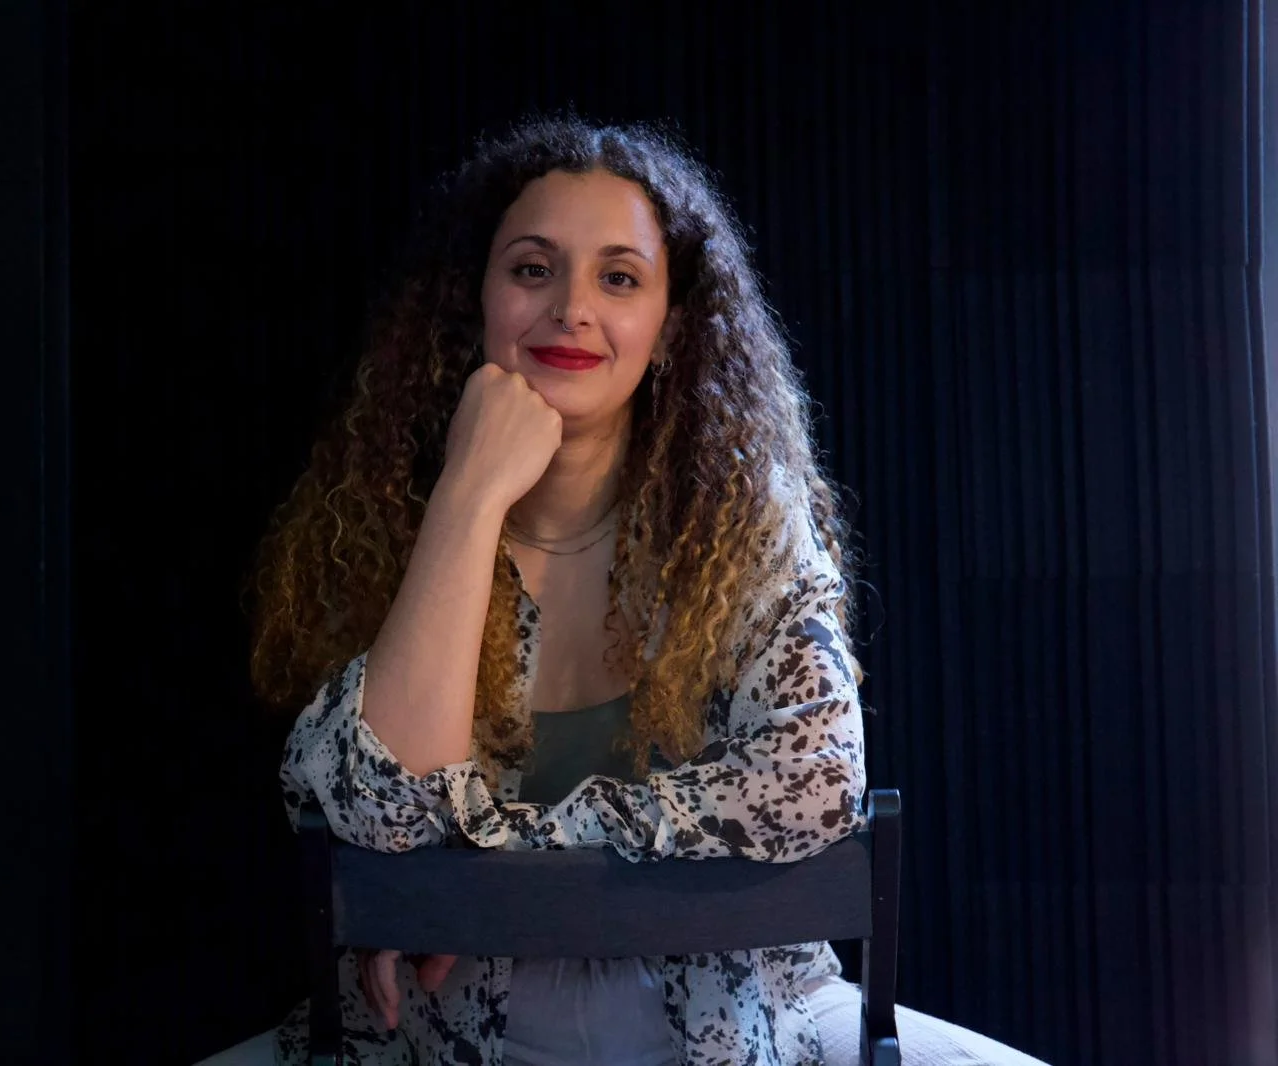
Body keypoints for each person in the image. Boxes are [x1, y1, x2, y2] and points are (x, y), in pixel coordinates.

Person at [199, 115, 1047, 1066]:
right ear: (475, 299)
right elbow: (374, 814)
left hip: (741, 1016)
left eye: (618, 277)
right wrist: (468, 498)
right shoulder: (389, 512)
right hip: (441, 1033)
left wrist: (486, 864)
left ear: (670, 325)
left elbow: (812, 785)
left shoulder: (742, 517)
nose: (571, 308)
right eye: (531, 269)